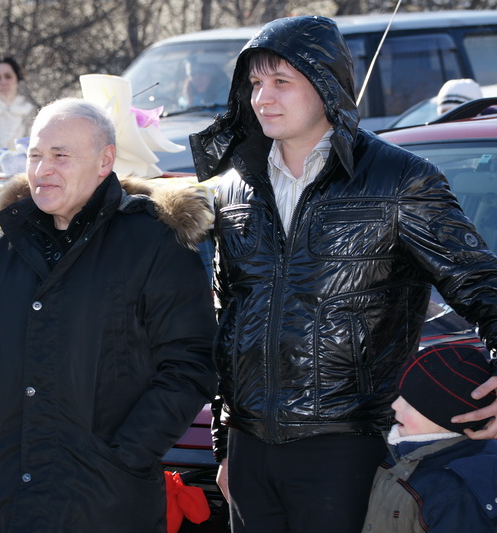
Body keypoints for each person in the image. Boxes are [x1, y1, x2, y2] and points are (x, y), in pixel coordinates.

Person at [188, 15, 497, 533]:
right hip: (249, 451)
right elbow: (230, 320)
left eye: (281, 81)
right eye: (255, 83)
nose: (263, 97)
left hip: (351, 446)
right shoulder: (233, 187)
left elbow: (483, 284)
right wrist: (225, 446)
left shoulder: (400, 180)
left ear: (326, 84)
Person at [0, 98, 217, 532]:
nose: (42, 169)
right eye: (35, 155)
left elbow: (190, 363)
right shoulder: (4, 247)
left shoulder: (152, 243)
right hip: (5, 498)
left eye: (60, 156)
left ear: (104, 161)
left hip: (107, 501)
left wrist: (125, 455)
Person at [362, 343, 497, 532]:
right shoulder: (401, 453)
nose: (395, 405)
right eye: (400, 395)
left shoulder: (454, 491)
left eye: (410, 402)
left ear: (447, 418)